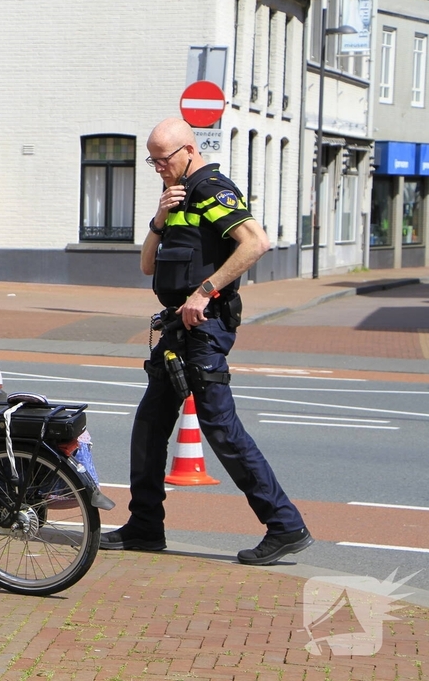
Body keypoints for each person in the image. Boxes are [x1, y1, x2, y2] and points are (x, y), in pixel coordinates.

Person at [100, 118, 313, 566]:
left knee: (220, 428)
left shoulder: (211, 188)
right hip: (178, 330)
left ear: (188, 150)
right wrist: (158, 219)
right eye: (152, 160)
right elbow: (145, 266)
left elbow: (255, 243)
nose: (158, 167)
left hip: (205, 327)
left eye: (163, 159)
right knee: (150, 425)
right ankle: (145, 526)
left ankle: (285, 525)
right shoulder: (176, 196)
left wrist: (205, 290)